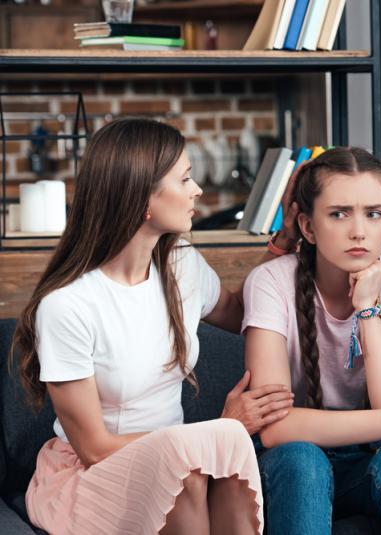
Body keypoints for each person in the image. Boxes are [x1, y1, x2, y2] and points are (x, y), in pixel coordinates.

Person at [11, 118, 295, 535]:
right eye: (184, 179)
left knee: (204, 464)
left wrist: (284, 239)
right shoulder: (68, 306)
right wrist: (220, 428)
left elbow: (240, 311)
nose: (197, 190)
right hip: (92, 476)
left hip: (180, 461)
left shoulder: (179, 264)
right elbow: (93, 449)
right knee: (193, 467)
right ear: (141, 197)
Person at [242, 147, 381, 534]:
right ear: (307, 226)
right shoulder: (270, 283)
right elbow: (274, 428)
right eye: (339, 214)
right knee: (302, 458)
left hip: (371, 459)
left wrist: (368, 308)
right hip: (291, 462)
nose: (359, 231)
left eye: (374, 214)